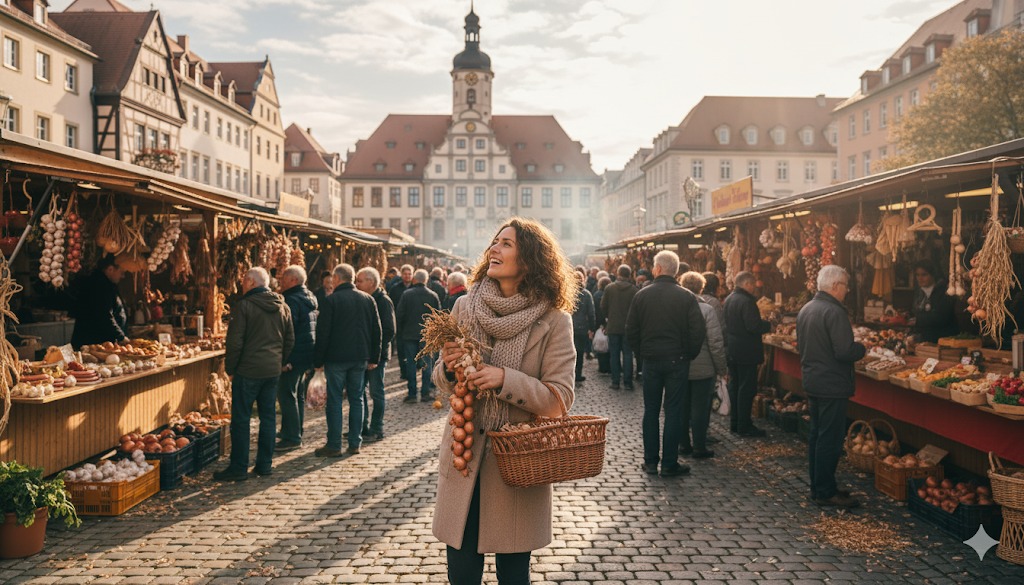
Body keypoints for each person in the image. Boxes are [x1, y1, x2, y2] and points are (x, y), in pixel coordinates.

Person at [432, 217, 577, 585]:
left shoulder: (553, 320)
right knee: (461, 576)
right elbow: (441, 379)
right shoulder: (465, 306)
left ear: (529, 259)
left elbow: (559, 400)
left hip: (515, 467)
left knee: (514, 578)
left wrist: (504, 380)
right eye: (495, 242)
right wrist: (449, 370)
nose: (494, 248)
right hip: (464, 458)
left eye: (507, 244)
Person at [626, 251, 706, 477]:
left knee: (651, 410)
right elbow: (697, 330)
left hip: (651, 360)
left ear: (658, 269)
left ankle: (651, 461)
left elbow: (631, 330)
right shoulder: (687, 297)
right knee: (673, 411)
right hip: (676, 360)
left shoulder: (642, 295)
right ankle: (669, 463)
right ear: (676, 271)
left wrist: (642, 354)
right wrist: (688, 354)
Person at [797, 265, 866, 509]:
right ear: (835, 286)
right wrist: (862, 348)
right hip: (831, 384)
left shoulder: (808, 308)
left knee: (817, 436)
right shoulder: (834, 312)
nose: (847, 291)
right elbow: (844, 351)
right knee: (829, 439)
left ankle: (819, 486)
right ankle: (825, 491)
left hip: (814, 380)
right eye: (846, 286)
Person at [216, 267, 294, 481]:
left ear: (251, 282)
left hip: (247, 371)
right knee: (268, 418)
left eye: (243, 280)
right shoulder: (282, 306)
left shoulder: (245, 306)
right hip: (271, 371)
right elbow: (289, 339)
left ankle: (239, 468)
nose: (242, 284)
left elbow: (235, 342)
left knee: (241, 419)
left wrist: (230, 369)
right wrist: (279, 362)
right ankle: (264, 465)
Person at [313, 264, 382, 457]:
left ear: (336, 279)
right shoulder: (368, 299)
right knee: (357, 399)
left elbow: (323, 333)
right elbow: (377, 330)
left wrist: (318, 360)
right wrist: (374, 357)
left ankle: (334, 445)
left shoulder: (331, 300)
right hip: (360, 357)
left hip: (336, 358)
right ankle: (355, 442)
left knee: (335, 400)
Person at [679, 271, 727, 459]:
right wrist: (722, 368)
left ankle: (683, 444)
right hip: (704, 368)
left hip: (680, 366)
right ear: (701, 288)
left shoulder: (676, 308)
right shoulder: (707, 310)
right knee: (700, 408)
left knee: (682, 407)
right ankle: (699, 446)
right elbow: (715, 342)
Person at [724, 271, 772, 437]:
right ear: (747, 284)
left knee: (735, 386)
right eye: (752, 284)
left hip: (733, 349)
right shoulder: (747, 301)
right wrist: (768, 325)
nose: (754, 288)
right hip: (746, 351)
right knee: (746, 388)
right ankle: (744, 425)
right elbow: (753, 326)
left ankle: (735, 423)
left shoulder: (730, 298)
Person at [275, 265, 317, 452]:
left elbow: (288, 333)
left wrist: (285, 359)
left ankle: (292, 437)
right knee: (297, 394)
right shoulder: (309, 297)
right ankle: (294, 430)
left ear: (293, 280)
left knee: (286, 394)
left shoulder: (291, 301)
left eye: (284, 278)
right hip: (307, 354)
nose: (280, 281)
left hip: (294, 355)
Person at [356, 267, 394, 443]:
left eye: (360, 281)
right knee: (360, 392)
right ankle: (360, 427)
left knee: (376, 392)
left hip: (377, 356)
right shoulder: (363, 299)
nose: (357, 284)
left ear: (371, 282)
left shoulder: (383, 301)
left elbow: (389, 330)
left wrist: (375, 351)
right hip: (363, 354)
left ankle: (376, 428)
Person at [396, 269, 441, 403]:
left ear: (414, 280)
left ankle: (412, 394)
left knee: (411, 364)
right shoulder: (433, 295)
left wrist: (402, 331)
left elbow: (400, 315)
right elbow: (438, 317)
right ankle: (425, 392)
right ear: (426, 280)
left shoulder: (406, 294)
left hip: (409, 335)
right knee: (427, 364)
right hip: (426, 336)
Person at [70, 254, 129, 347]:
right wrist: (120, 336)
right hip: (93, 342)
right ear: (110, 269)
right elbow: (104, 314)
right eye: (121, 272)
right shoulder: (99, 286)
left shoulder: (106, 283)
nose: (123, 276)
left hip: (100, 342)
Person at [602, 264, 639, 390]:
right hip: (629, 327)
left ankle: (615, 381)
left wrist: (608, 318)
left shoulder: (609, 288)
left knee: (614, 354)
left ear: (618, 273)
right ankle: (628, 382)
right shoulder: (634, 290)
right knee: (628, 354)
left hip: (613, 326)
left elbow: (603, 307)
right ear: (629, 275)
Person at [911, 262, 957, 343]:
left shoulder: (945, 291)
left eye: (924, 275)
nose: (920, 278)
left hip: (943, 340)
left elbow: (942, 318)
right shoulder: (920, 293)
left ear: (933, 275)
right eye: (917, 275)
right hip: (925, 340)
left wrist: (917, 320)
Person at [389, 264, 414, 378]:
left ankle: (411, 371)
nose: (407, 276)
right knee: (401, 349)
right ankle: (404, 372)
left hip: (411, 322)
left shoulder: (415, 287)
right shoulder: (395, 288)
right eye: (405, 274)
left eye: (409, 274)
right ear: (401, 274)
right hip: (399, 323)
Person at [571, 271, 596, 382]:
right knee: (579, 353)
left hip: (569, 327)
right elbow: (591, 313)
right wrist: (592, 328)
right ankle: (578, 374)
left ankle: (568, 375)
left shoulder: (567, 293)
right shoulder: (586, 294)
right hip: (581, 327)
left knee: (568, 353)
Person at [593, 276, 612, 374]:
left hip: (599, 322)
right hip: (609, 322)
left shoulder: (596, 295)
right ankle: (609, 366)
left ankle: (602, 367)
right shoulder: (611, 294)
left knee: (600, 345)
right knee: (608, 345)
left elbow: (595, 310)